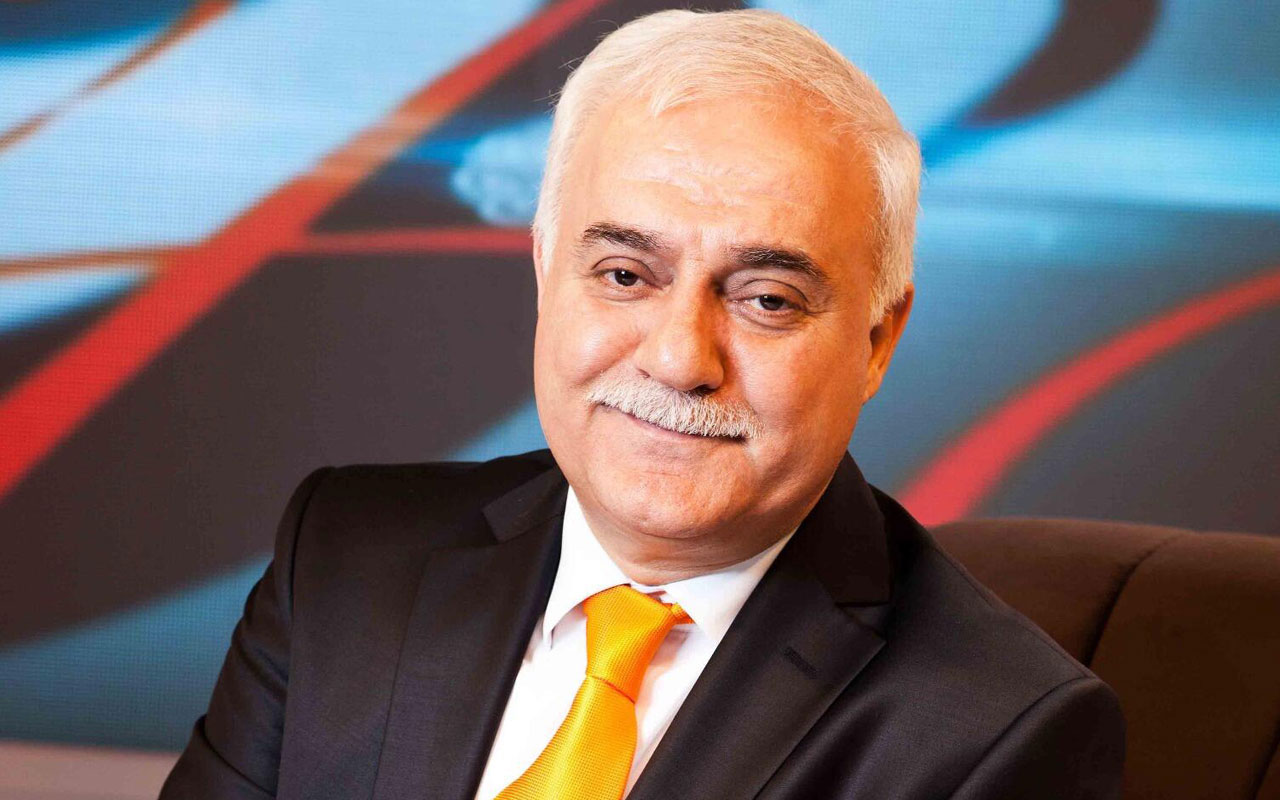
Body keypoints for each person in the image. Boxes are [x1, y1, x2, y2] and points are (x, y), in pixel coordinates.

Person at [161, 8, 1124, 799]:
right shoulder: (343, 558)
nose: (678, 360)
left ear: (877, 340)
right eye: (625, 274)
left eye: (767, 300)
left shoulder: (993, 737)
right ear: (547, 270)